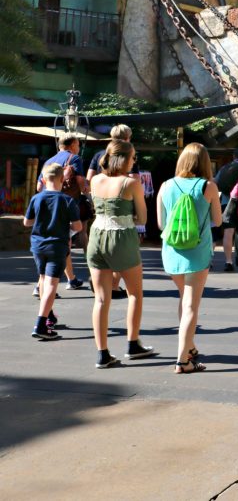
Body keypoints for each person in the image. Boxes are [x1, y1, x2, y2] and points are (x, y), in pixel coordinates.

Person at [88, 140, 153, 367]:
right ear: (124, 158)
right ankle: (133, 343)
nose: (135, 161)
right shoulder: (131, 183)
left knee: (101, 298)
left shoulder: (95, 180)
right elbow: (143, 219)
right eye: (133, 157)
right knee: (134, 293)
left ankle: (102, 354)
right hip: (121, 237)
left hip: (96, 236)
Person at [158, 143, 222, 374]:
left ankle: (190, 347)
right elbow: (218, 220)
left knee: (184, 299)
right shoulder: (209, 187)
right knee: (191, 306)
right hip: (197, 252)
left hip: (172, 252)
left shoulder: (166, 185)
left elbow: (160, 224)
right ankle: (182, 360)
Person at [24, 163, 82, 341]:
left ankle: (48, 315)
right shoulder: (67, 200)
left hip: (38, 245)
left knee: (42, 279)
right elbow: (78, 226)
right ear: (62, 179)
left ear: (42, 179)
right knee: (51, 284)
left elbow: (27, 222)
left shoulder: (36, 198)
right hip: (57, 245)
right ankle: (41, 324)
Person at [86, 125, 138, 297]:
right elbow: (136, 179)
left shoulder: (99, 156)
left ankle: (107, 285)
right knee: (135, 295)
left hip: (98, 225)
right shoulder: (128, 155)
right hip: (122, 224)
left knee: (100, 300)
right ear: (128, 137)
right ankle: (114, 286)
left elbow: (89, 178)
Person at [36, 133, 89, 292]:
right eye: (78, 145)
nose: (78, 148)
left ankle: (71, 279)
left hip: (47, 206)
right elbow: (80, 182)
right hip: (65, 206)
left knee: (63, 243)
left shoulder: (48, 162)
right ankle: (40, 286)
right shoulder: (74, 159)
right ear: (72, 144)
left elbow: (39, 187)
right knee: (61, 245)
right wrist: (87, 191)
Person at [214, 148, 238, 272]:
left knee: (228, 233)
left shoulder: (224, 168)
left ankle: (228, 261)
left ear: (234, 155)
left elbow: (215, 182)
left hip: (226, 203)